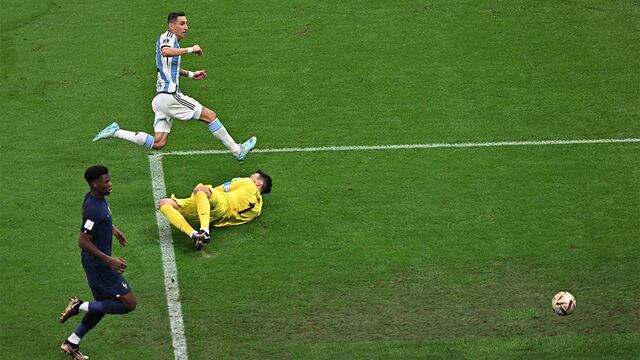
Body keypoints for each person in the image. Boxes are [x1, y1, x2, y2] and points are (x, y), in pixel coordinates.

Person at [93, 11, 256, 160]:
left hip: (160, 99)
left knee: (158, 143)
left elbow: (170, 67)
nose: (186, 27)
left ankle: (115, 131)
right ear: (172, 25)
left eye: (186, 23)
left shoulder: (172, 41)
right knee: (210, 116)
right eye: (182, 23)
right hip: (170, 95)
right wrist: (191, 49)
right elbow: (166, 51)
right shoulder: (168, 36)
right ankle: (237, 151)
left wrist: (191, 74)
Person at [58, 165, 137, 359]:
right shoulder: (95, 208)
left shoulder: (94, 198)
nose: (110, 184)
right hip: (98, 265)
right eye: (106, 181)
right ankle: (79, 306)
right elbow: (83, 241)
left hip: (97, 263)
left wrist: (112, 228)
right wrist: (108, 260)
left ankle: (71, 343)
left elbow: (97, 222)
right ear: (95, 183)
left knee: (102, 305)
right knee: (128, 303)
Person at [159, 170, 272, 249]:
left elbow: (223, 187)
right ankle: (195, 235)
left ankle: (203, 231)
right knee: (165, 203)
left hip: (223, 202)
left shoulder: (248, 183)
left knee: (202, 190)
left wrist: (206, 192)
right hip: (214, 218)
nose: (250, 176)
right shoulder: (257, 210)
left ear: (259, 182)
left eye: (253, 176)